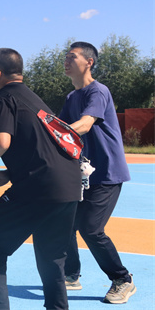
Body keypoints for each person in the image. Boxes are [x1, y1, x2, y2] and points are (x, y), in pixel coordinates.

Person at [0, 48, 81, 310]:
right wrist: (10, 173)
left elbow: (0, 142)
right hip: (68, 184)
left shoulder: (2, 97)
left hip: (39, 187)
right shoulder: (33, 99)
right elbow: (47, 147)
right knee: (52, 258)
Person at [60, 41, 135, 304]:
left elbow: (83, 124)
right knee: (65, 222)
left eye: (72, 56)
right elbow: (59, 127)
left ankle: (122, 279)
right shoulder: (71, 98)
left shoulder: (98, 91)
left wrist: (54, 134)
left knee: (91, 229)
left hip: (107, 173)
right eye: (65, 57)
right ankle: (71, 275)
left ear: (89, 62)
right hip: (84, 174)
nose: (66, 61)